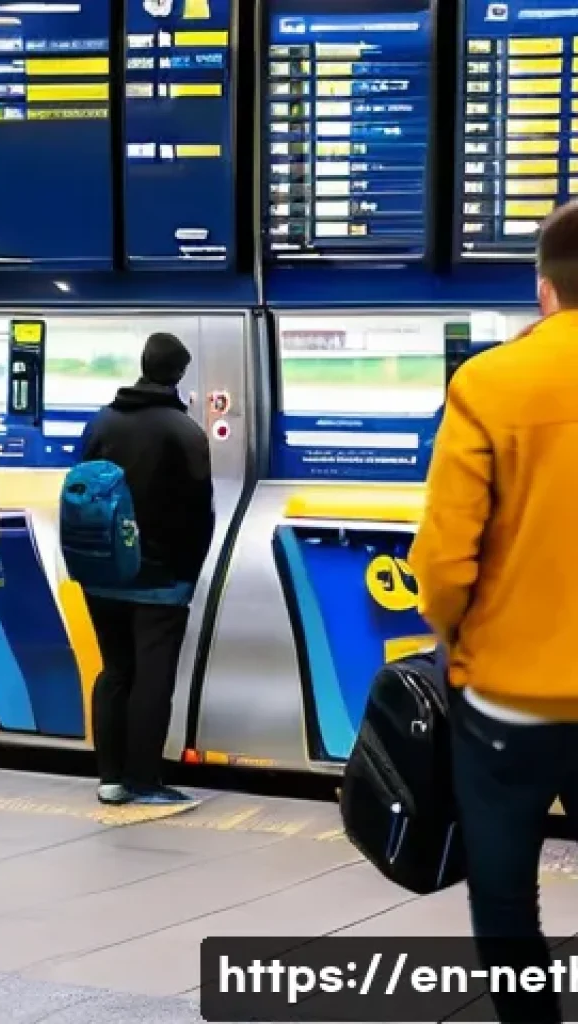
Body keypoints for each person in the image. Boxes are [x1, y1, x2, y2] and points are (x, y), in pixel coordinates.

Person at [410, 200, 578, 1023]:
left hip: (510, 699)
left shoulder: (488, 382)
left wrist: (459, 640)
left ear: (545, 290)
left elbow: (443, 561)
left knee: (507, 898)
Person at [80, 332, 214, 807]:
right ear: (178, 374)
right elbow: (200, 513)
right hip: (160, 579)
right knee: (153, 678)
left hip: (102, 573)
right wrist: (189, 571)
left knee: (115, 671)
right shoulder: (184, 432)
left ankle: (109, 779)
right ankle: (144, 779)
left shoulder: (102, 422)